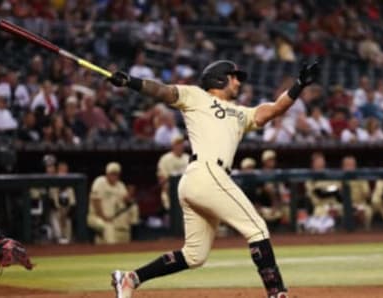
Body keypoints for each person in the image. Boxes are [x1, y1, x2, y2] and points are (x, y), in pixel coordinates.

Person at [107, 59, 319, 298]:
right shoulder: (196, 96)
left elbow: (273, 110)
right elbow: (163, 91)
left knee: (194, 256)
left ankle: (130, 279)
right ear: (220, 78)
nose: (238, 81)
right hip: (207, 173)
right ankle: (277, 294)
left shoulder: (240, 113)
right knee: (257, 229)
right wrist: (131, 82)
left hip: (199, 180)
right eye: (234, 76)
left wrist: (299, 85)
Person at [87, 162, 139, 244]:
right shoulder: (100, 182)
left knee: (116, 231)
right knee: (108, 228)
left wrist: (130, 199)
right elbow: (95, 202)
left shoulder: (120, 185)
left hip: (110, 218)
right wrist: (104, 217)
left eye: (116, 174)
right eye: (112, 174)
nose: (115, 176)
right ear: (107, 173)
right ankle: (111, 250)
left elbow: (125, 199)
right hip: (96, 217)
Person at [157, 134, 189, 212]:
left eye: (181, 144)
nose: (180, 146)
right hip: (170, 195)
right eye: (177, 144)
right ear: (173, 145)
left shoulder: (188, 158)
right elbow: (161, 180)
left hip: (186, 195)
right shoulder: (165, 159)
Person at [342, 156, 373, 230]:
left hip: (360, 204)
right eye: (348, 165)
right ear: (343, 166)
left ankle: (364, 232)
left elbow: (367, 194)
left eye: (352, 165)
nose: (350, 167)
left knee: (368, 211)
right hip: (343, 206)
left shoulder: (360, 177)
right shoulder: (339, 178)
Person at [49, 161, 76, 244]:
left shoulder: (70, 185)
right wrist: (60, 211)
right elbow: (52, 201)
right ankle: (57, 238)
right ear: (57, 171)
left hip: (66, 211)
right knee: (54, 216)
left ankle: (67, 242)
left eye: (65, 170)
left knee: (67, 221)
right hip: (56, 211)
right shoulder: (53, 183)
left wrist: (66, 213)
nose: (63, 172)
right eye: (61, 170)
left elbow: (72, 203)